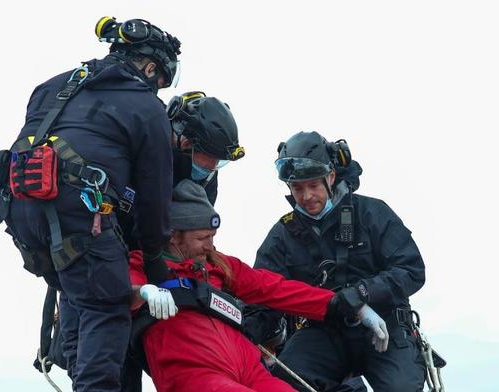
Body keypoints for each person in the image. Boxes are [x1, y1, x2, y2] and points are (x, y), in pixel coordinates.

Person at [0, 17, 182, 392]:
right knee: (106, 307)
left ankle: (77, 371)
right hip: (79, 212)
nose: (158, 88)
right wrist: (154, 259)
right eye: (161, 80)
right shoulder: (146, 106)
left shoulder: (52, 86)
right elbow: (155, 195)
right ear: (151, 67)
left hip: (21, 215)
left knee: (81, 295)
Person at [128, 179, 389, 392]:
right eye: (202, 238)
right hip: (195, 375)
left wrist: (346, 306)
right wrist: (143, 291)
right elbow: (113, 295)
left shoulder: (218, 265)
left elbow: (275, 288)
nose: (210, 246)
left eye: (212, 236)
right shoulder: (141, 265)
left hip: (249, 369)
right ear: (174, 236)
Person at [254, 131, 426, 391]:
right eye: (298, 188)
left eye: (313, 185)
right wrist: (238, 334)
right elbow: (262, 291)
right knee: (282, 383)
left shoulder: (372, 213)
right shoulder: (283, 234)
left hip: (385, 325)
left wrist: (362, 294)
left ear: (331, 177)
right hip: (322, 331)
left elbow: (411, 270)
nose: (306, 196)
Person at [120, 91, 245, 391]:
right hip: (120, 280)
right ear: (186, 143)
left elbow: (194, 239)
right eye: (211, 157)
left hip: (166, 291)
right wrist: (136, 286)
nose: (213, 167)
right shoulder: (136, 164)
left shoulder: (201, 178)